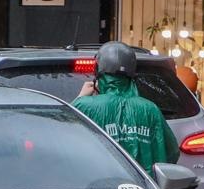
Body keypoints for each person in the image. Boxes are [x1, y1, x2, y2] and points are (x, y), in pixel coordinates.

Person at [72, 41, 177, 173]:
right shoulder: (150, 109)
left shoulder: (84, 106)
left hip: (97, 188)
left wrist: (79, 98)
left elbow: (60, 140)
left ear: (98, 71)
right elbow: (171, 152)